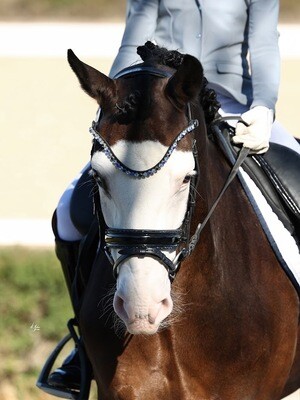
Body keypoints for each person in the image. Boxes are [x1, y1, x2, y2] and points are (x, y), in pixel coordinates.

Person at [47, 0, 300, 391]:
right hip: (159, 111)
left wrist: (264, 107)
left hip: (233, 109)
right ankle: (83, 348)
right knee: (68, 212)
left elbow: (263, 43)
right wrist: (117, 105)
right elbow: (133, 42)